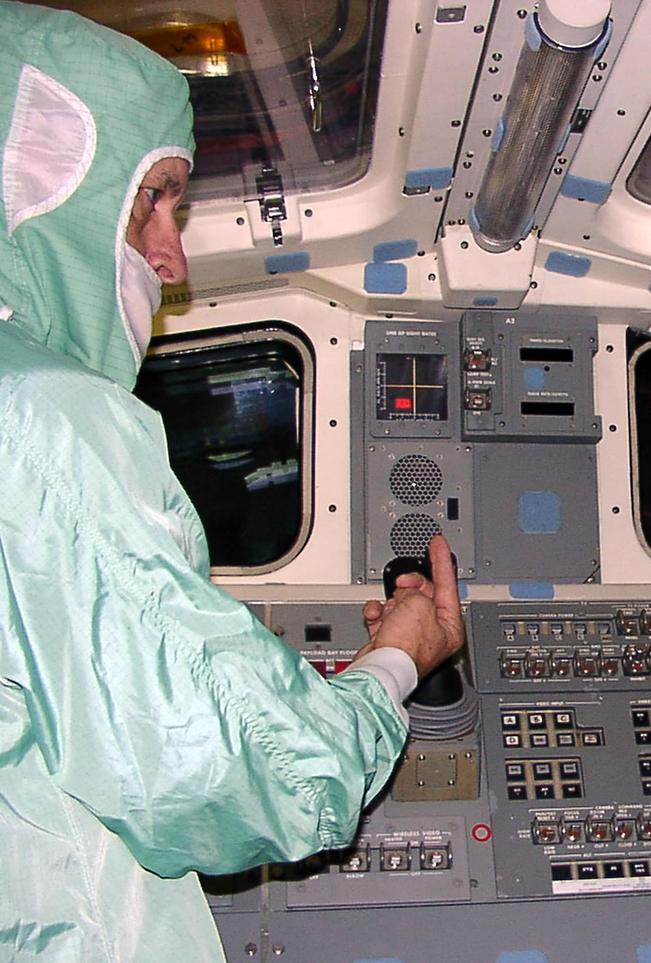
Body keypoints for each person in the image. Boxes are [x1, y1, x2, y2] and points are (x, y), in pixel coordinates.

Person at [0, 5, 463, 960]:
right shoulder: (45, 421)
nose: (170, 259)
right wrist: (398, 662)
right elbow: (255, 773)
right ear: (46, 180)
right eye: (155, 201)